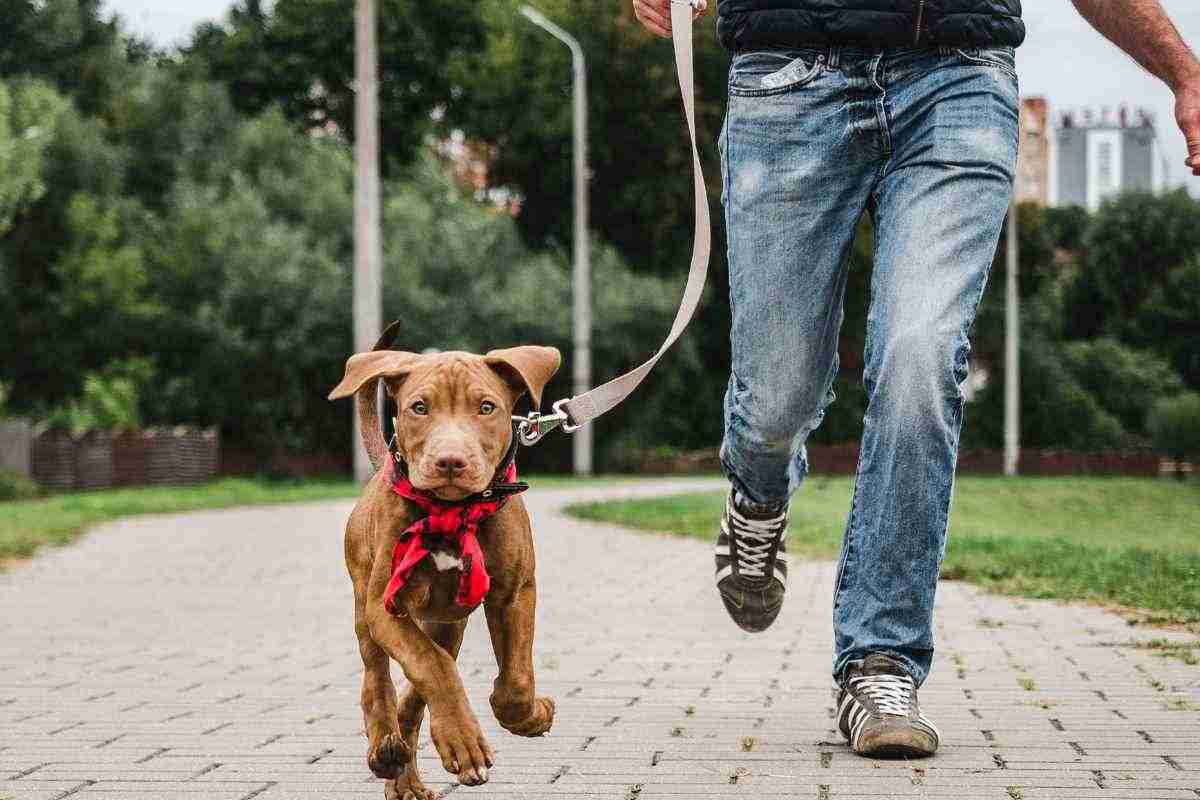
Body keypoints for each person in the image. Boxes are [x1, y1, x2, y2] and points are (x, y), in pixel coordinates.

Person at [633, 0, 1200, 758]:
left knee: (920, 357)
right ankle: (758, 494)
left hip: (958, 75)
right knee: (777, 394)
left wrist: (1184, 74)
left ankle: (880, 659)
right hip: (786, 73)